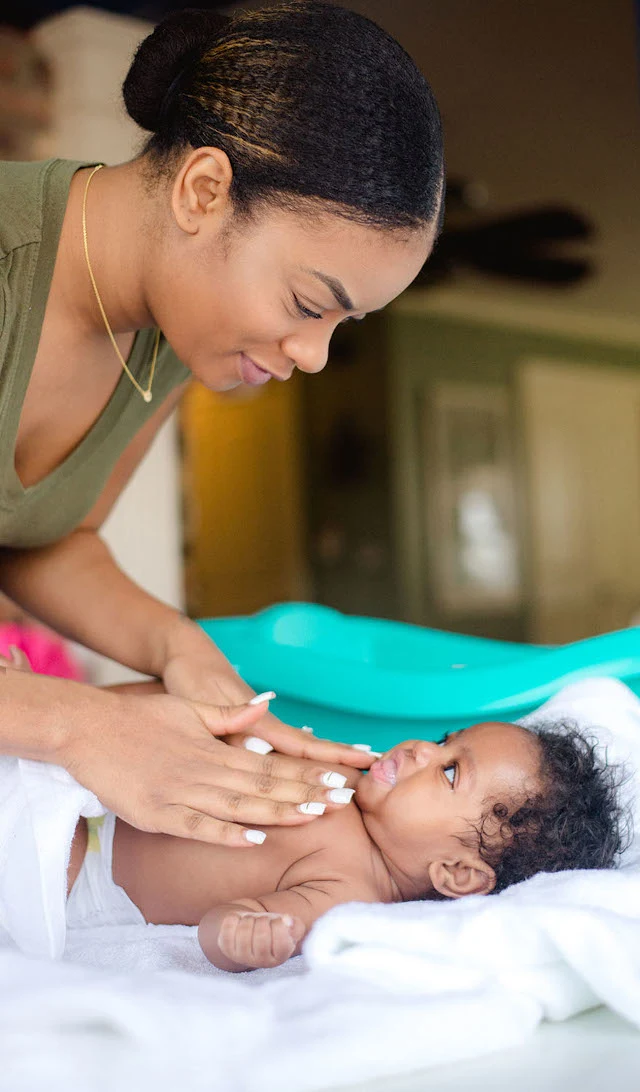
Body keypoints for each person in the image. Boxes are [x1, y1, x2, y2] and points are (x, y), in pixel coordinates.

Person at [0, 3, 444, 844]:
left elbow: (41, 540)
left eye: (340, 330)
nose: (313, 357)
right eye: (310, 304)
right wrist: (78, 723)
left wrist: (181, 651)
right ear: (202, 192)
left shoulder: (175, 337)